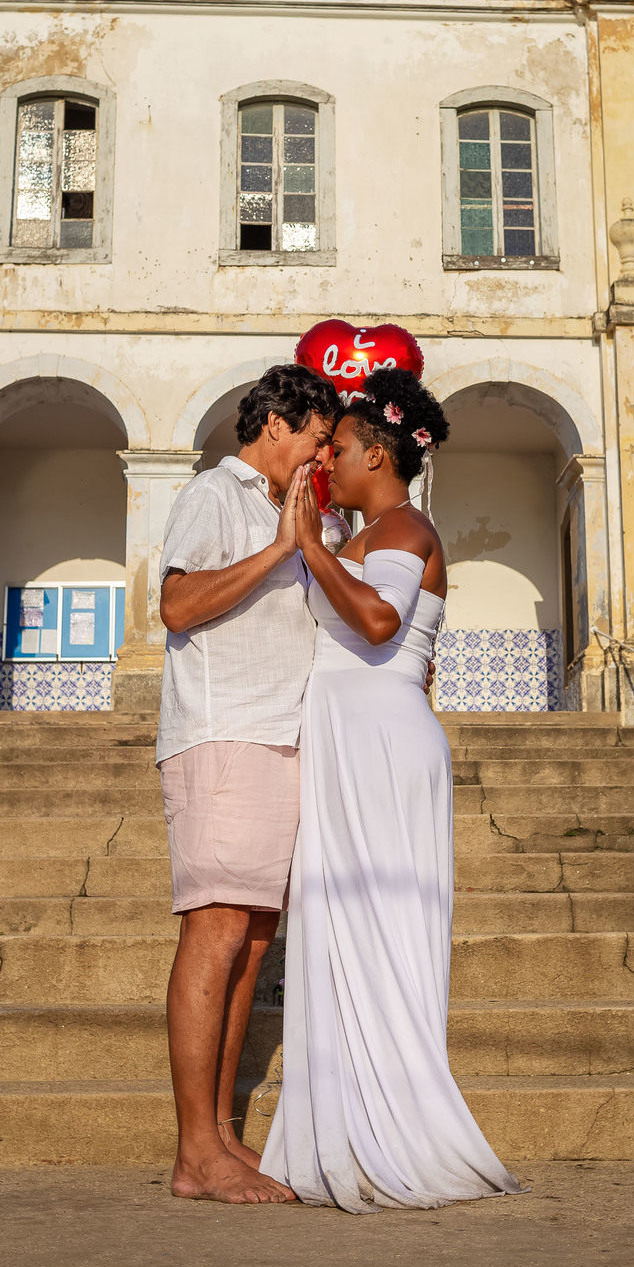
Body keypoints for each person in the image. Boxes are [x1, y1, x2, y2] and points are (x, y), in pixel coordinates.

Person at [260, 366, 526, 1211]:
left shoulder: (407, 525)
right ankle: (349, 1115)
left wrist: (309, 548)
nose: (326, 459)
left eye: (336, 448)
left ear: (377, 453)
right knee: (343, 924)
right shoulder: (365, 534)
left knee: (379, 924)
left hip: (377, 740)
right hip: (352, 736)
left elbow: (380, 625)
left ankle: (397, 1123)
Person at [156, 362, 339, 1204]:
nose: (322, 452)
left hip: (282, 740)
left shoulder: (295, 511)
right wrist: (280, 551)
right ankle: (195, 1149)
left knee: (255, 941)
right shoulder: (215, 494)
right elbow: (179, 606)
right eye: (315, 436)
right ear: (275, 425)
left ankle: (223, 1139)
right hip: (222, 732)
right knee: (218, 931)